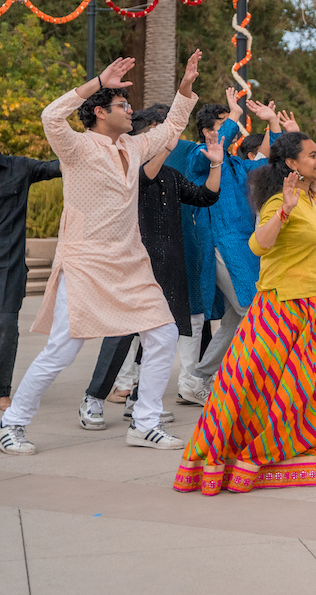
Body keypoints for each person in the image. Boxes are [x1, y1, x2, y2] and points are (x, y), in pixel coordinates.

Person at [0, 53, 203, 456]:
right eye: (123, 105)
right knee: (62, 349)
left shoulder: (133, 146)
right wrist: (98, 81)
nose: (131, 111)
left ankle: (144, 423)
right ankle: (12, 422)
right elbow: (52, 116)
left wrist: (185, 89)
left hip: (131, 262)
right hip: (86, 262)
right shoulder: (75, 147)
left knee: (163, 333)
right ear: (100, 113)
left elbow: (173, 125)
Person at [174, 132, 316, 495]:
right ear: (292, 164)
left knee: (302, 390)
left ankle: (289, 453)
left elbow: (311, 245)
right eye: (312, 155)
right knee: (248, 385)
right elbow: (259, 243)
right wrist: (284, 211)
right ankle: (231, 456)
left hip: (313, 306)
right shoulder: (282, 199)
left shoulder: (308, 197)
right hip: (281, 307)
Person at [78, 106, 222, 430]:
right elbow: (143, 179)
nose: (165, 139)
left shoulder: (170, 176)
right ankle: (93, 399)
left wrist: (216, 163)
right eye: (158, 133)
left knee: (158, 339)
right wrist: (166, 146)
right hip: (133, 269)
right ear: (140, 139)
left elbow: (205, 196)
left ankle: (139, 402)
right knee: (121, 336)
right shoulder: (124, 172)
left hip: (168, 268)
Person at [177, 90, 281, 405]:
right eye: (223, 124)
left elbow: (271, 164)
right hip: (218, 244)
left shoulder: (237, 165)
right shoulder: (198, 157)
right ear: (209, 132)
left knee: (236, 322)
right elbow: (213, 149)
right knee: (254, 314)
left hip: (245, 246)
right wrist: (235, 114)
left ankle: (197, 379)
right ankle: (259, 384)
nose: (230, 130)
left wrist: (273, 122)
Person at [0, 114, 61, 412]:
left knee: (6, 324)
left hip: (8, 264)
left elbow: (58, 167)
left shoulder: (20, 167)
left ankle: (0, 390)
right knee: (3, 327)